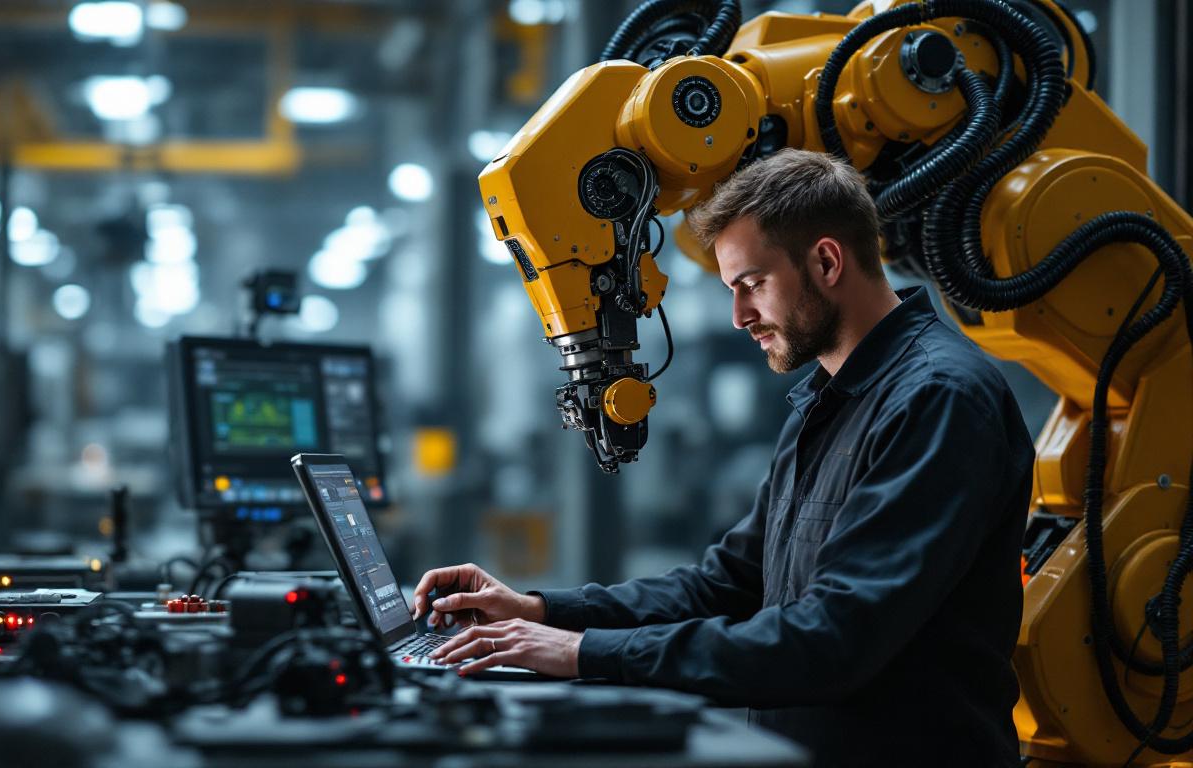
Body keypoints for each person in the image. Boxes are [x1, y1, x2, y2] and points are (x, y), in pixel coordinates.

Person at [414, 149, 1034, 765]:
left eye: (752, 285)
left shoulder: (936, 399)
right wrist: (542, 611)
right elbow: (727, 584)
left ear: (826, 261)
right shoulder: (828, 400)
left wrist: (580, 652)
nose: (739, 317)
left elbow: (833, 639)